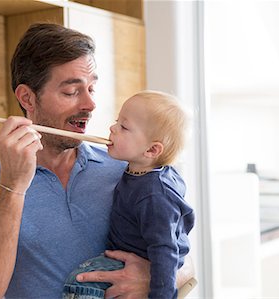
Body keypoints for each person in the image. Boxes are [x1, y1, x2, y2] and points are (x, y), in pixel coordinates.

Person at [0, 23, 193, 298]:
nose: (90, 104)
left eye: (91, 88)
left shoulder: (130, 170)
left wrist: (150, 279)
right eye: (71, 91)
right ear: (27, 97)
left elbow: (183, 259)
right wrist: (13, 186)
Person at [62, 91, 195, 299]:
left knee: (79, 282)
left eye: (123, 127)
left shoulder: (154, 194)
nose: (112, 128)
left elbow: (166, 252)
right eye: (117, 122)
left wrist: (160, 295)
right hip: (127, 255)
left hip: (143, 261)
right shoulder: (140, 169)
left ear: (151, 150)